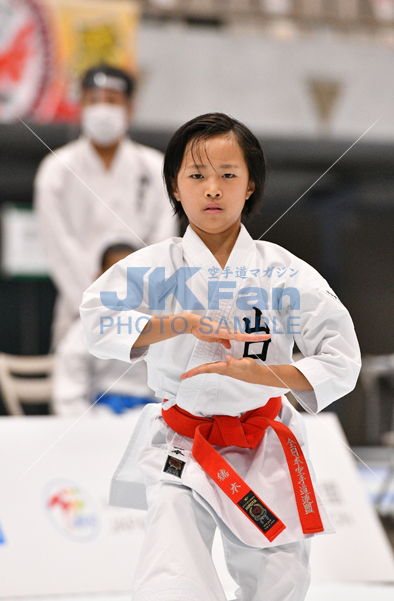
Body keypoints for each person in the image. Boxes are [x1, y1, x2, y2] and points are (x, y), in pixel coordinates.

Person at [80, 113, 361, 601]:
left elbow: (342, 358)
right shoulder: (155, 266)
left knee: (281, 583)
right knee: (173, 579)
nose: (212, 189)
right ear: (175, 185)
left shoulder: (285, 272)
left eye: (228, 174)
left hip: (263, 441)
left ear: (250, 185)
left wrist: (267, 374)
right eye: (197, 175)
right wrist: (180, 323)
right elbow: (97, 320)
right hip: (182, 444)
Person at [34, 64, 178, 348]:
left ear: (130, 108)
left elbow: (163, 240)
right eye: (94, 100)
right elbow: (58, 246)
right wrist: (96, 303)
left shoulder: (155, 167)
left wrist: (136, 304)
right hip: (78, 312)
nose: (102, 109)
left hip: (145, 313)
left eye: (112, 101)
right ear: (81, 107)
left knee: (143, 375)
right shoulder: (56, 170)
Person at [53, 243, 155, 417]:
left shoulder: (162, 325)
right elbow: (69, 397)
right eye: (116, 277)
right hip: (99, 417)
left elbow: (174, 384)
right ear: (98, 280)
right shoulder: (82, 330)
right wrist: (95, 426)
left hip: (153, 415)